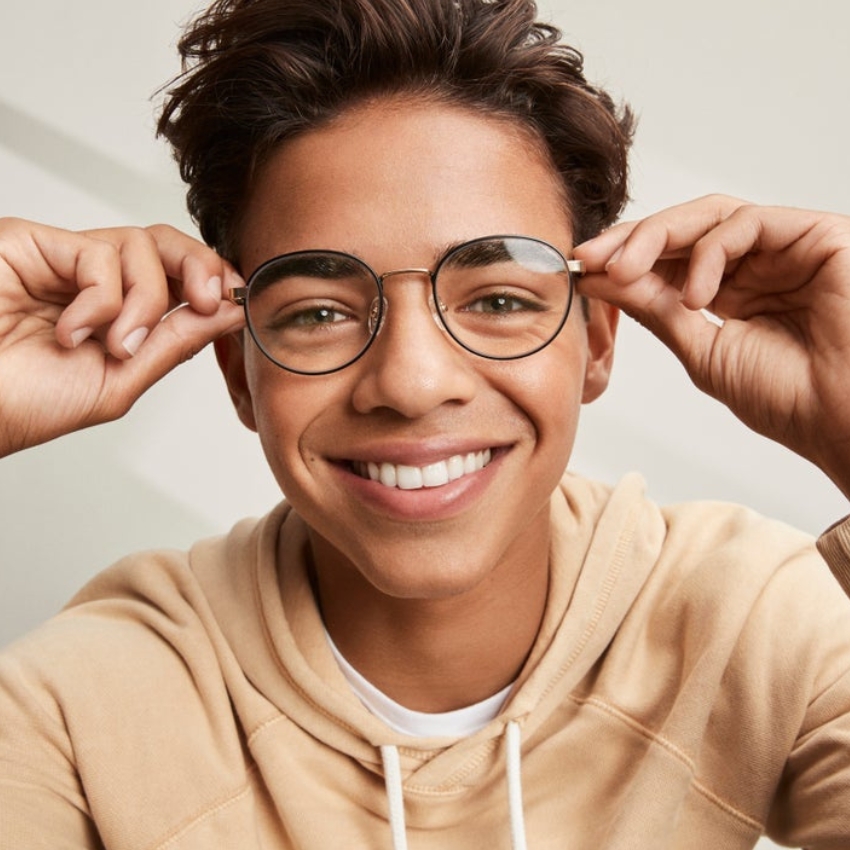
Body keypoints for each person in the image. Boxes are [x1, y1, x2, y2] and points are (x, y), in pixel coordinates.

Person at [1, 0, 849, 847]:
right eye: (319, 313)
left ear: (594, 340)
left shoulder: (763, 620)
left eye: (500, 299)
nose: (410, 383)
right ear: (240, 372)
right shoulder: (80, 710)